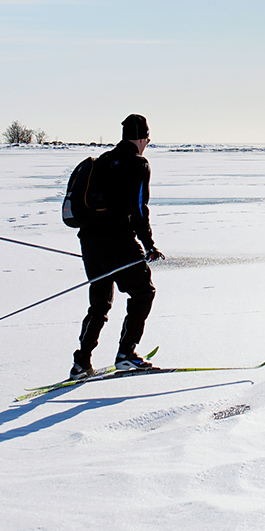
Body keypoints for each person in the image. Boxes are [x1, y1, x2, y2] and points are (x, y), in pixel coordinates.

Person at [70, 114, 165, 379]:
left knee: (99, 303)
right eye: (147, 138)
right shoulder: (138, 164)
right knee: (143, 292)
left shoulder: (102, 161)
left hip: (89, 241)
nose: (147, 143)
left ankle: (81, 362)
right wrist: (149, 244)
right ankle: (126, 355)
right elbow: (138, 209)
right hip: (118, 241)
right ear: (142, 137)